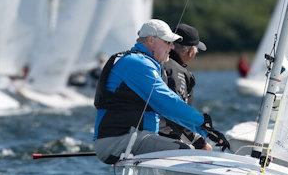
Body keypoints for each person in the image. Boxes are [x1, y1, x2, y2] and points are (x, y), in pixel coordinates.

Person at [93, 19, 229, 164]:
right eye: (168, 42)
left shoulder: (146, 63)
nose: (171, 47)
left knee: (184, 150)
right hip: (118, 141)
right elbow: (167, 103)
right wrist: (203, 123)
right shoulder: (137, 64)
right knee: (188, 154)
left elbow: (169, 110)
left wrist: (205, 131)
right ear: (151, 40)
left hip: (133, 138)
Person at [160, 23, 211, 150]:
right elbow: (175, 112)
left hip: (150, 131)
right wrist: (200, 143)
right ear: (189, 51)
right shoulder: (176, 72)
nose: (196, 52)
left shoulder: (162, 63)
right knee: (206, 149)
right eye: (196, 48)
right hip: (163, 136)